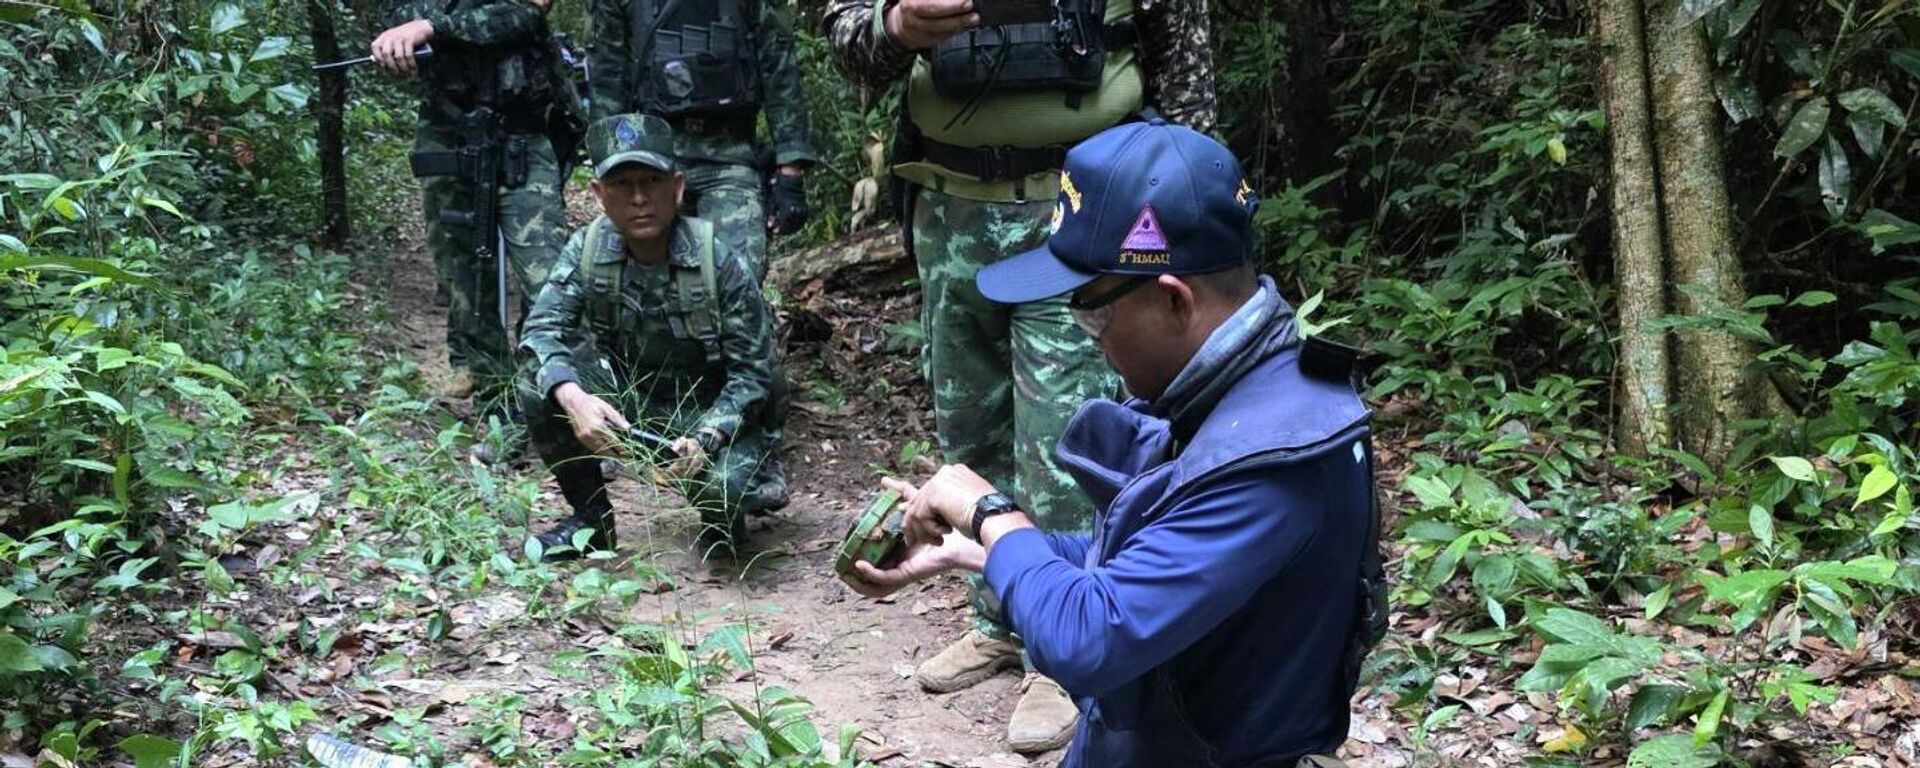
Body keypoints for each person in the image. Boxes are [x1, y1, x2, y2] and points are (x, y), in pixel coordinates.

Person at [847, 121, 1385, 767]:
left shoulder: (1274, 457)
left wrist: (994, 516)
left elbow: (1088, 638)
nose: (1090, 336)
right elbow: (1142, 558)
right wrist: (976, 552)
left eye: (1091, 311)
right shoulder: (1232, 391)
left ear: (1174, 301)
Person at [822, 0, 1219, 750]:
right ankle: (997, 620)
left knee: (1064, 441)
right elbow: (845, 44)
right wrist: (896, 27)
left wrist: (1180, 218)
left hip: (1082, 214)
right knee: (968, 427)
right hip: (948, 210)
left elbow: (1188, 78)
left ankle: (1060, 652)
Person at [516, 114, 785, 559]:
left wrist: (706, 438)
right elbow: (541, 332)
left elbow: (754, 374)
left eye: (651, 181)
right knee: (537, 383)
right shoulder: (586, 251)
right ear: (599, 195)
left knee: (725, 491)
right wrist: (575, 398)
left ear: (677, 188)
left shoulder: (717, 260)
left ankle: (723, 516)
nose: (639, 198)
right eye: (622, 185)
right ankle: (592, 522)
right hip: (631, 403)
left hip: (705, 410)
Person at [374, 0, 582, 407]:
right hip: (448, 130)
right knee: (465, 281)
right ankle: (498, 403)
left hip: (523, 131)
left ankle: (566, 401)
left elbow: (525, 12)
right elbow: (398, 21)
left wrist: (433, 26)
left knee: (550, 280)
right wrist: (401, 39)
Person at [589, 0, 818, 281]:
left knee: (740, 283)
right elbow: (609, 72)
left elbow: (778, 62)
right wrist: (607, 169)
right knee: (648, 288)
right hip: (653, 163)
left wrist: (790, 168)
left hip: (731, 158)